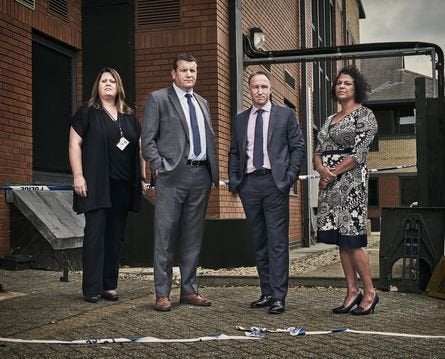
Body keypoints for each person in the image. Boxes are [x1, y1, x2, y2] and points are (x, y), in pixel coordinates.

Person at [141, 53, 219, 312]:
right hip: (172, 176)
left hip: (200, 176)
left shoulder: (202, 103)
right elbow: (148, 140)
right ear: (173, 74)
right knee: (165, 235)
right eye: (184, 70)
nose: (189, 74)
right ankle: (162, 293)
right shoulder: (158, 99)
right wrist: (159, 166)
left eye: (193, 70)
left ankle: (189, 290)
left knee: (192, 236)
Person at [228, 71, 305, 314]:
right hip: (249, 185)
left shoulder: (285, 115)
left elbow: (298, 147)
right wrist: (235, 180)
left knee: (277, 242)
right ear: (249, 90)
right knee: (259, 242)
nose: (259, 91)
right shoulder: (240, 120)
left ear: (270, 89)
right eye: (255, 87)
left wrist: (289, 178)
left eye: (264, 86)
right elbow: (234, 152)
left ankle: (279, 297)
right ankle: (266, 292)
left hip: (275, 184)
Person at [69, 67, 146, 303]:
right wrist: (78, 176)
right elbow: (74, 144)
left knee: (115, 236)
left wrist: (142, 177)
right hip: (96, 184)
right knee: (95, 234)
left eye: (113, 80)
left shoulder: (128, 115)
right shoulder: (88, 112)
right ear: (98, 86)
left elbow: (139, 147)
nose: (108, 84)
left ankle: (108, 285)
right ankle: (91, 288)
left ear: (119, 85)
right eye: (104, 80)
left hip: (123, 185)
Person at [313, 65, 379, 315]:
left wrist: (332, 173)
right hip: (330, 186)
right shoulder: (329, 119)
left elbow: (359, 153)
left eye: (347, 83)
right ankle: (352, 291)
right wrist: (321, 169)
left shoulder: (365, 115)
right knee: (341, 241)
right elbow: (318, 152)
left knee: (353, 239)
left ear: (356, 88)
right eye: (339, 83)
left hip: (351, 184)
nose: (341, 86)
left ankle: (370, 292)